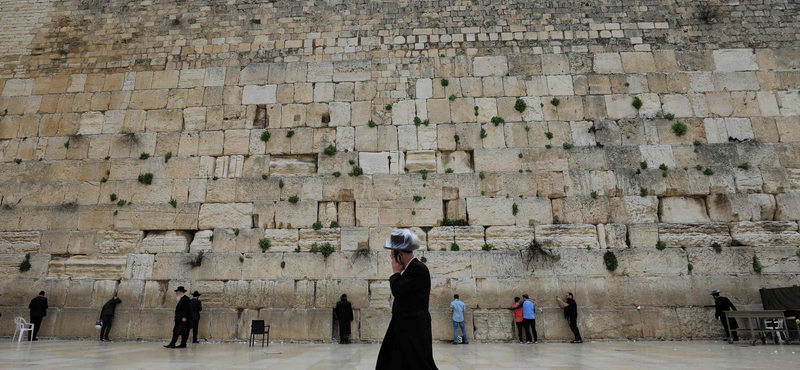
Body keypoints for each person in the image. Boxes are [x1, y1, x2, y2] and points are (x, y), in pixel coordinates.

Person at [376, 229, 438, 370]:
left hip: (413, 328)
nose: (392, 260)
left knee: (420, 363)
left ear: (400, 255)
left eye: (392, 256)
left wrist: (396, 273)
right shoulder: (412, 270)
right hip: (405, 326)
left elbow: (398, 290)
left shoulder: (418, 269)